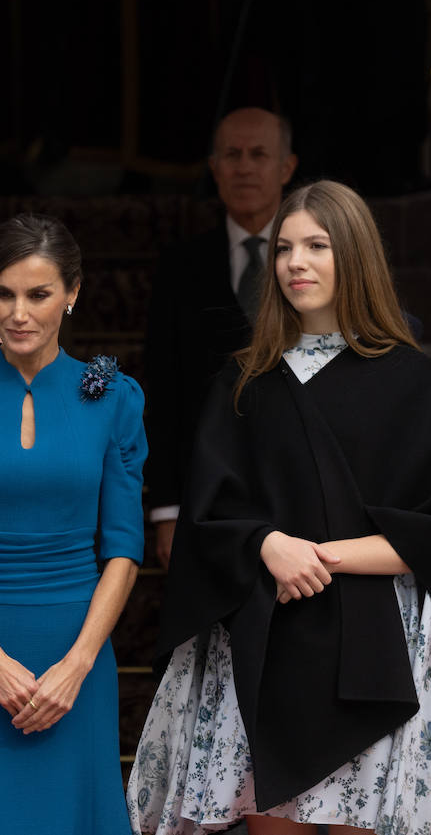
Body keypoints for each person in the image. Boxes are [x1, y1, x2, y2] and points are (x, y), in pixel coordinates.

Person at [127, 180, 431, 835]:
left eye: (317, 245)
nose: (295, 261)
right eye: (285, 247)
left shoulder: (409, 379)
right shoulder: (245, 380)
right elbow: (208, 514)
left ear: (355, 256)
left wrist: (323, 554)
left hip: (374, 646)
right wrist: (267, 543)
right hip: (272, 641)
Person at [0, 213, 146, 833]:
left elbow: (123, 549)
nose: (18, 313)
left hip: (78, 655)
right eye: (4, 293)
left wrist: (77, 665)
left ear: (72, 293)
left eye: (38, 294)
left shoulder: (116, 398)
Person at [144, 107, 297, 568]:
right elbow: (162, 391)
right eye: (232, 154)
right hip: (206, 494)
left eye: (259, 154)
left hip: (298, 487)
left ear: (287, 167)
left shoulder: (317, 261)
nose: (245, 166)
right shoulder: (178, 268)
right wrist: (167, 509)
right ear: (213, 168)